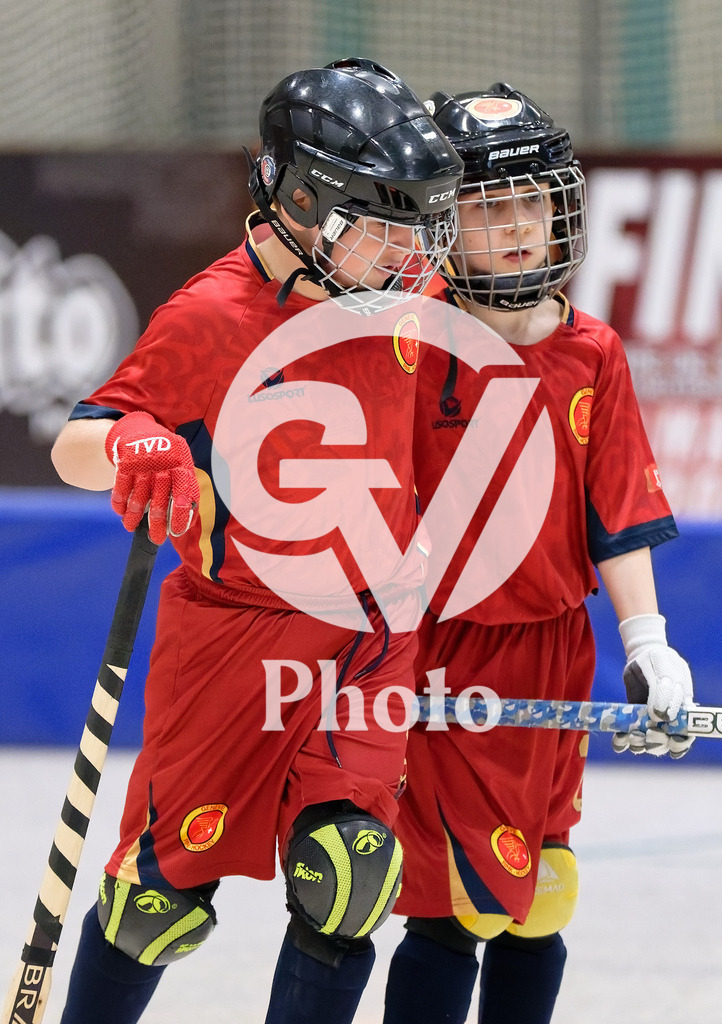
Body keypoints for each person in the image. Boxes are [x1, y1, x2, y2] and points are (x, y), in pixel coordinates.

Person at [49, 57, 463, 1024]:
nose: (413, 256)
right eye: (386, 226)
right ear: (302, 203)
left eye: (419, 228)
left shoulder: (406, 294)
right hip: (236, 633)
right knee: (157, 904)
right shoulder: (214, 315)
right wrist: (130, 438)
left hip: (370, 634)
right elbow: (76, 443)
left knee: (350, 877)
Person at [382, 84, 695, 1024]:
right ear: (443, 221)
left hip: (558, 652)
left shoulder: (594, 352)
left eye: (533, 201)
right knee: (454, 909)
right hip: (444, 652)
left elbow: (620, 513)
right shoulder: (404, 340)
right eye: (486, 206)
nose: (517, 225)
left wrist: (648, 643)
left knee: (543, 896)